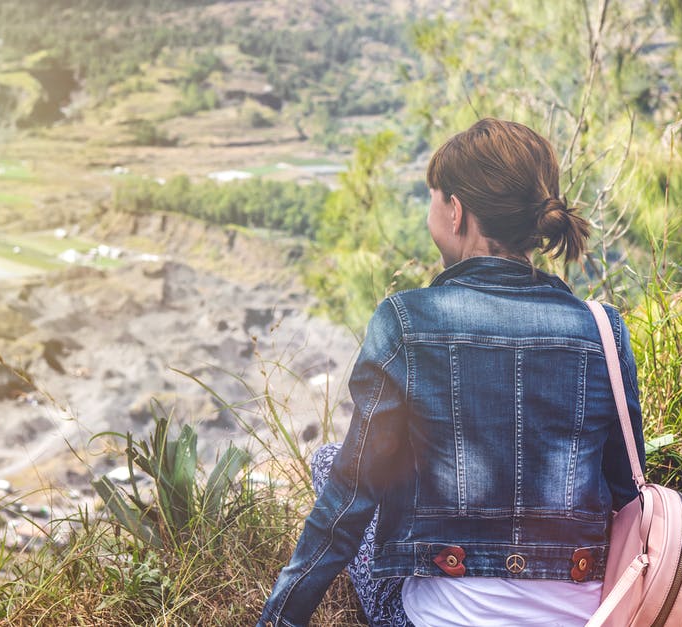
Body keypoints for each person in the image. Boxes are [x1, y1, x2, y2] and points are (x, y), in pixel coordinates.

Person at [257, 118, 644, 627]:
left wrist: (279, 619)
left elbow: (351, 497)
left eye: (433, 198)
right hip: (584, 616)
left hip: (440, 618)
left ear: (455, 211)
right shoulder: (602, 329)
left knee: (332, 462)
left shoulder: (406, 321)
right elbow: (627, 494)